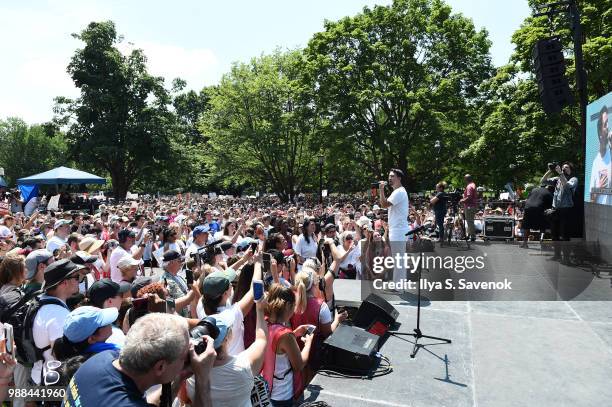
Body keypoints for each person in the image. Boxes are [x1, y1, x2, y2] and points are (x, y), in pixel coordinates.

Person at [62, 312, 216, 407]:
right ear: (160, 367)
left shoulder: (101, 360)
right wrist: (202, 377)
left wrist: (180, 374)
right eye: (184, 356)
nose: (188, 358)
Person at [184, 299, 268, 407]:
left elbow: (185, 399)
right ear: (227, 337)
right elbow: (262, 339)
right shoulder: (244, 366)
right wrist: (260, 309)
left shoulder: (189, 373)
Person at [31, 259, 85, 384]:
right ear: (64, 282)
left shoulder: (41, 300)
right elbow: (62, 356)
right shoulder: (57, 315)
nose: (80, 280)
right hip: (51, 381)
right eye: (77, 277)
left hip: (39, 374)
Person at [262, 284, 314, 406]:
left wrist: (294, 333)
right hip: (282, 395)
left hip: (266, 389)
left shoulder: (264, 323)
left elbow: (275, 345)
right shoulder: (286, 335)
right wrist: (308, 343)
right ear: (288, 306)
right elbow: (299, 365)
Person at [541, 162, 579, 261]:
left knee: (565, 234)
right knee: (554, 234)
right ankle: (557, 255)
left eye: (566, 167)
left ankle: (566, 258)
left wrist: (560, 173)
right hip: (555, 210)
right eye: (562, 168)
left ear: (570, 170)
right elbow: (543, 181)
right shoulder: (557, 179)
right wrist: (550, 170)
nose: (563, 169)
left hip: (566, 210)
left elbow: (567, 186)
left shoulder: (573, 179)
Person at [378, 169, 409, 284]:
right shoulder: (398, 191)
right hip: (398, 230)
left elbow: (384, 204)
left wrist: (381, 190)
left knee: (399, 260)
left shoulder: (399, 192)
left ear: (399, 178)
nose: (389, 178)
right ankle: (399, 285)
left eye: (392, 176)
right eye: (389, 176)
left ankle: (399, 286)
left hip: (398, 231)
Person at [87, 279, 131, 346]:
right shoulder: (113, 334)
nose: (122, 299)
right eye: (121, 295)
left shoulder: (88, 326)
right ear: (110, 301)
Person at [160, 250, 200, 318]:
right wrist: (196, 287)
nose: (182, 263)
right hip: (180, 319)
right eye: (179, 260)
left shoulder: (177, 276)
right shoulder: (166, 282)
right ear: (171, 263)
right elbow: (183, 301)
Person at [520, 184, 554, 248]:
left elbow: (528, 199)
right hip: (539, 208)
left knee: (526, 226)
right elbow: (551, 207)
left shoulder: (534, 189)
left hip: (528, 207)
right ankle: (543, 244)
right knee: (544, 226)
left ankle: (525, 243)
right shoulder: (549, 193)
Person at [589, 105, 611, 204]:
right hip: (601, 214)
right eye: (606, 124)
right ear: (600, 132)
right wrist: (599, 188)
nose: (609, 128)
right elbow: (592, 199)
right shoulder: (596, 162)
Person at [459, 174, 478, 241]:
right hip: (473, 206)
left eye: (464, 179)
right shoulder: (473, 185)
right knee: (470, 221)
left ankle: (473, 237)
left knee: (470, 222)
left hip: (470, 206)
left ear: (466, 179)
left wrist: (462, 200)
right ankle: (469, 235)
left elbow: (469, 197)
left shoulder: (469, 186)